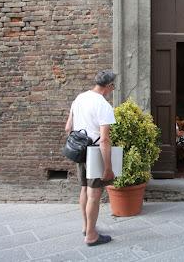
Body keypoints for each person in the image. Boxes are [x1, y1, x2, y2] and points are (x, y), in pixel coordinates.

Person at [65, 69, 116, 246]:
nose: (113, 89)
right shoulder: (104, 106)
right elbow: (104, 140)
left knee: (84, 189)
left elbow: (68, 127)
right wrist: (108, 168)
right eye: (113, 86)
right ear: (109, 86)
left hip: (80, 150)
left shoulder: (80, 98)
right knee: (94, 194)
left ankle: (86, 227)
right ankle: (91, 236)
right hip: (94, 152)